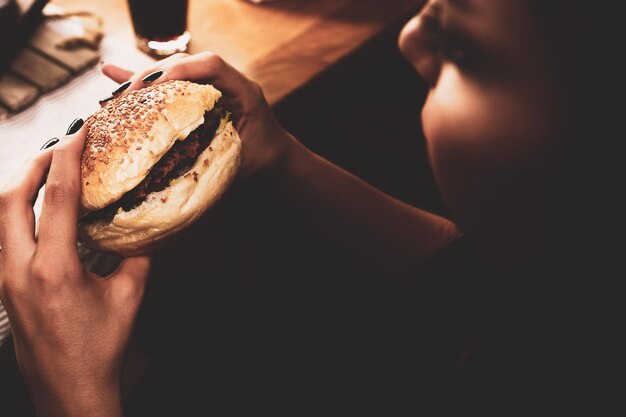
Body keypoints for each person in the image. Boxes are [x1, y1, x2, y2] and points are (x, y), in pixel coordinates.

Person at [0, 0, 619, 415]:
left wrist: (74, 397)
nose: (409, 40)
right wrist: (285, 159)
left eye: (459, 43)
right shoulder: (573, 297)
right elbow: (474, 289)